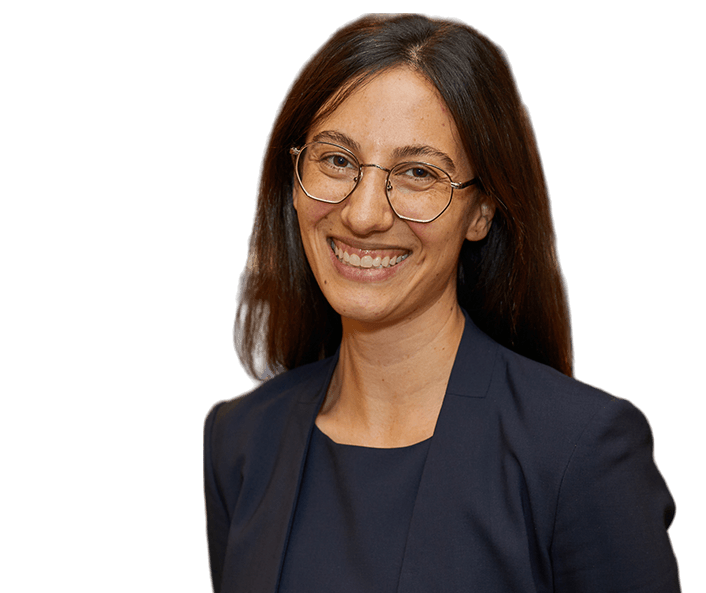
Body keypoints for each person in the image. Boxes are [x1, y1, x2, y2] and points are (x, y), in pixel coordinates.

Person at [204, 14, 680, 593]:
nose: (364, 215)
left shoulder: (580, 452)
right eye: (336, 160)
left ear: (481, 211)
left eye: (417, 172)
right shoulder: (235, 442)